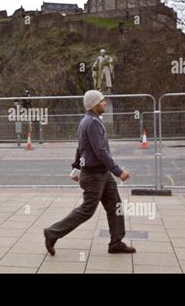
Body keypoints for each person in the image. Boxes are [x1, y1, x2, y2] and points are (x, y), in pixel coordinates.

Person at [44, 90, 136, 255]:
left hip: (102, 173)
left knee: (115, 206)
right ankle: (52, 232)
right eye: (102, 101)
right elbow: (100, 151)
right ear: (94, 105)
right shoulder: (92, 122)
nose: (105, 103)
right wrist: (118, 171)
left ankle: (116, 242)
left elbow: (81, 148)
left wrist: (76, 168)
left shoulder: (87, 121)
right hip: (94, 175)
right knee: (87, 210)